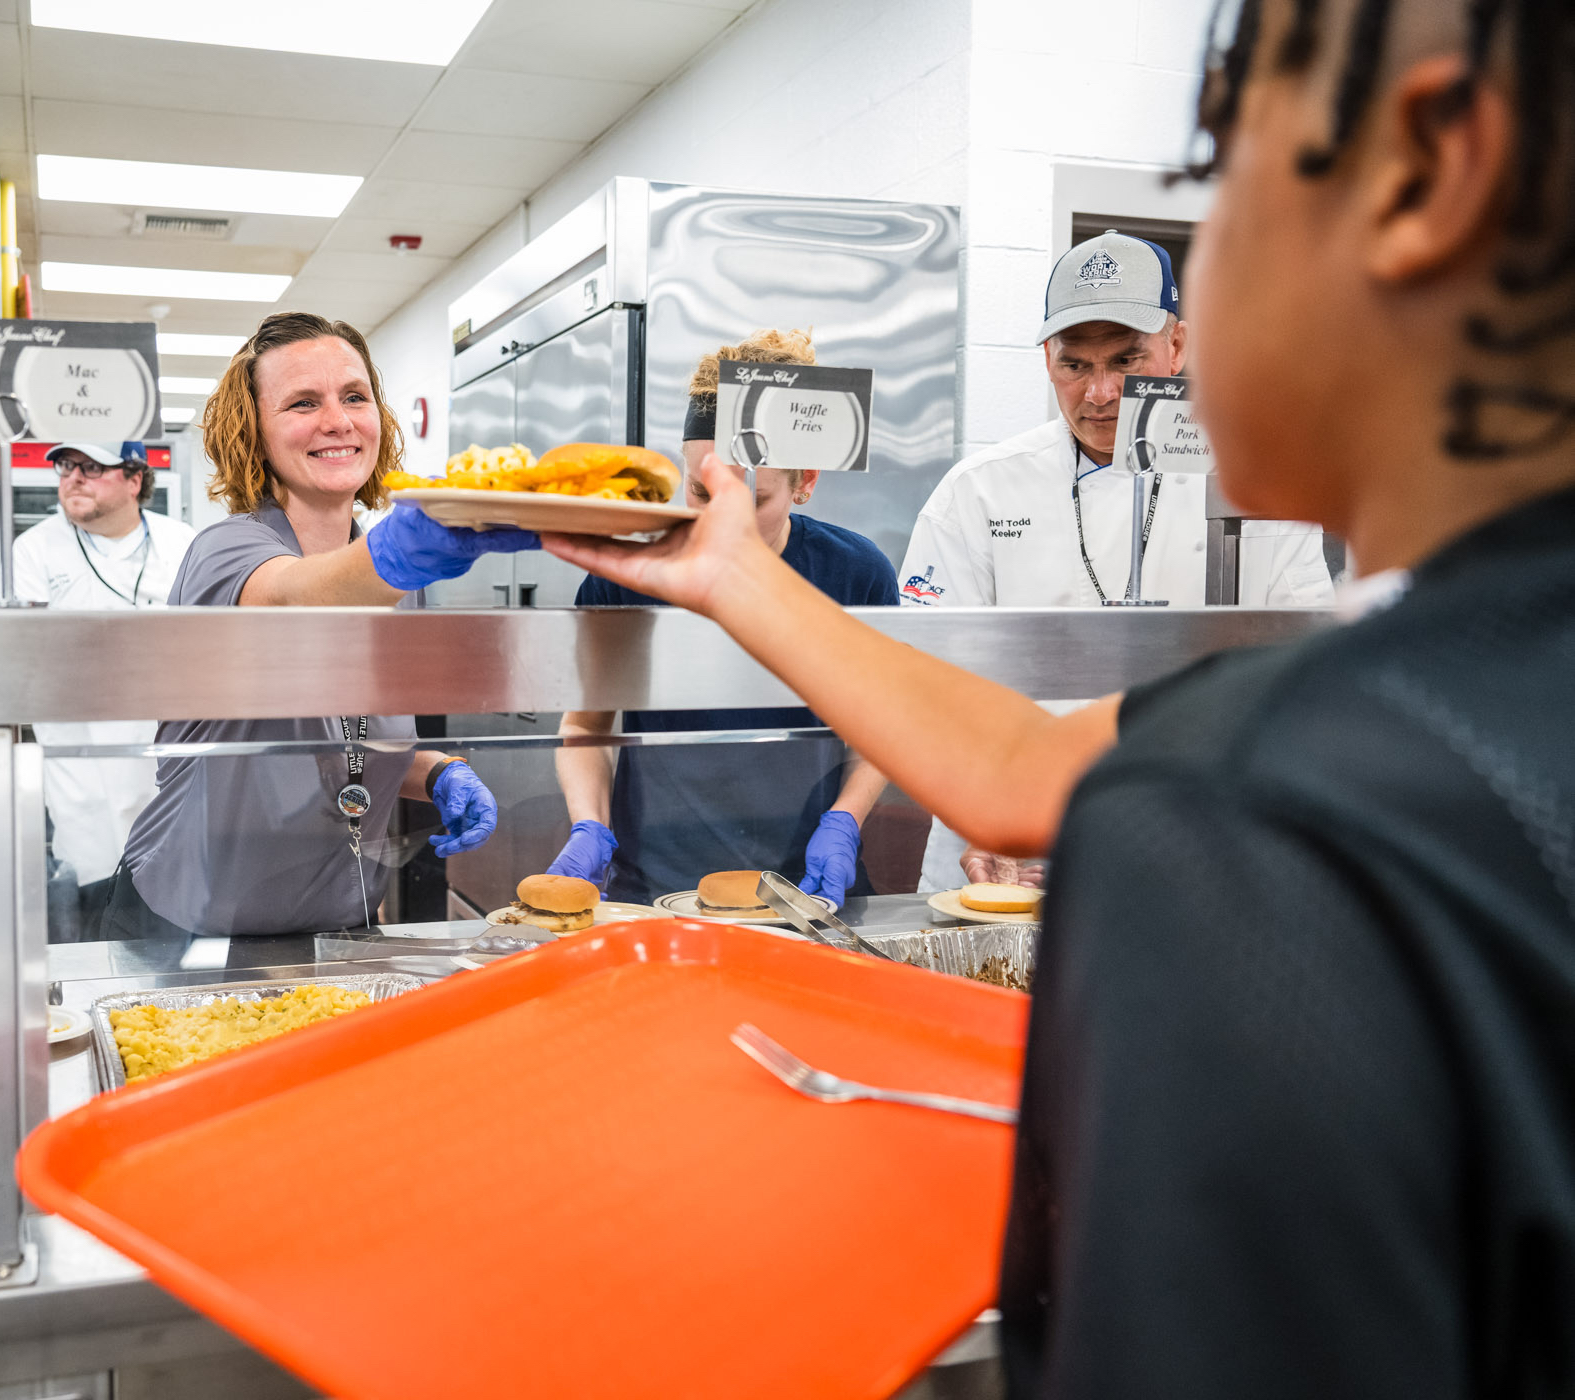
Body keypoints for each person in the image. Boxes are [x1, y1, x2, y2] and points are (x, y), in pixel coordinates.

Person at [547, 0, 1575, 1390]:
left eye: (1220, 179)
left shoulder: (1244, 832)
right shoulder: (1462, 686)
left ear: (1424, 173)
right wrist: (737, 574)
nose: (1163, 343)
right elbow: (1025, 768)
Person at [899, 229, 1338, 893]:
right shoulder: (980, 491)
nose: (1101, 393)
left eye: (1127, 359)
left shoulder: (1262, 483)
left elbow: (1307, 678)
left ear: (1177, 345)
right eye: (1075, 365)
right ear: (1047, 359)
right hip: (998, 853)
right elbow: (926, 684)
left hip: (1197, 848)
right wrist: (983, 814)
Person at [116, 311, 535, 938]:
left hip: (335, 925)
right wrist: (394, 558)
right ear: (254, 431)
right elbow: (293, 596)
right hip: (196, 927)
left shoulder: (395, 581)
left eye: (354, 396)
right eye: (302, 403)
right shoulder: (227, 552)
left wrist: (432, 770)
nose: (337, 421)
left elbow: (345, 749)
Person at [548, 330, 896, 906]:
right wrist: (590, 825)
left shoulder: (855, 575)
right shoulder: (628, 574)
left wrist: (845, 823)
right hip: (654, 891)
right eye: (700, 492)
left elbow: (879, 730)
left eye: (752, 500)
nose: (721, 521)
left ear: (804, 483)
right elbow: (585, 726)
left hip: (806, 894)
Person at [12, 440, 195, 939]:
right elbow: (34, 654)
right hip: (82, 768)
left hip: (167, 759)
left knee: (172, 914)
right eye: (67, 467)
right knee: (97, 917)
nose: (73, 477)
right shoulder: (35, 547)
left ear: (134, 480)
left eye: (92, 468)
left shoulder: (182, 543)